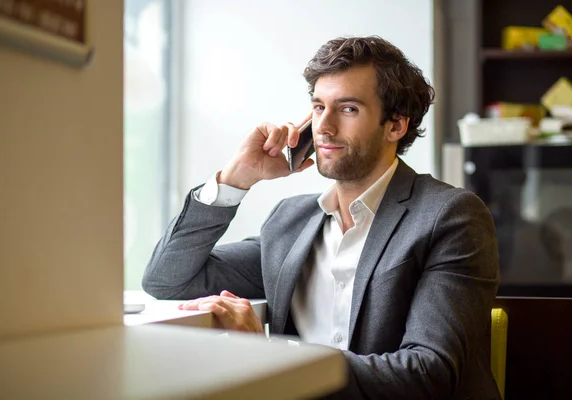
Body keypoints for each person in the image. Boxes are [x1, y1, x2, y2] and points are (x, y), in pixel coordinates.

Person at [142, 36, 501, 399]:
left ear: (395, 125)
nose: (323, 128)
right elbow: (167, 280)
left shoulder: (450, 217)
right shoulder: (291, 220)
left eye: (347, 109)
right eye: (317, 107)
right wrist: (236, 178)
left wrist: (272, 357)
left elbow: (428, 374)